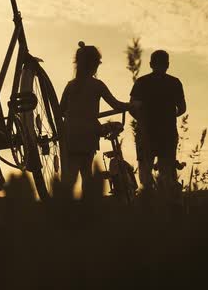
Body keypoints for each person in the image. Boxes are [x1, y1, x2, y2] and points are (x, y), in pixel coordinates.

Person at [60, 42, 131, 197]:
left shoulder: (70, 86)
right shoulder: (97, 85)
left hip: (70, 134)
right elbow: (116, 104)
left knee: (70, 175)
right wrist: (129, 106)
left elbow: (61, 110)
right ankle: (89, 208)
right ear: (93, 65)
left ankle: (63, 208)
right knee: (87, 173)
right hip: (88, 134)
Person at [129, 50, 186, 204]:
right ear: (167, 65)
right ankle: (168, 207)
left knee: (146, 174)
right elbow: (182, 108)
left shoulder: (141, 82)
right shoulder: (175, 82)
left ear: (150, 64)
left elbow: (132, 107)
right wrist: (167, 116)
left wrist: (142, 120)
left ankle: (147, 206)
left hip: (145, 133)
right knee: (167, 174)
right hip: (167, 134)